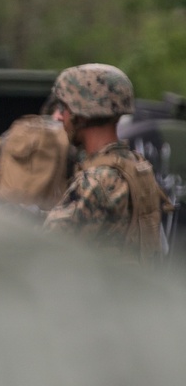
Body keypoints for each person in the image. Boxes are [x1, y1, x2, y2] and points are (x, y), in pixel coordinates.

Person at [44, 63, 167, 258]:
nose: (59, 117)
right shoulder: (136, 165)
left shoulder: (97, 181)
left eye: (64, 107)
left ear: (81, 115)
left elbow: (46, 248)